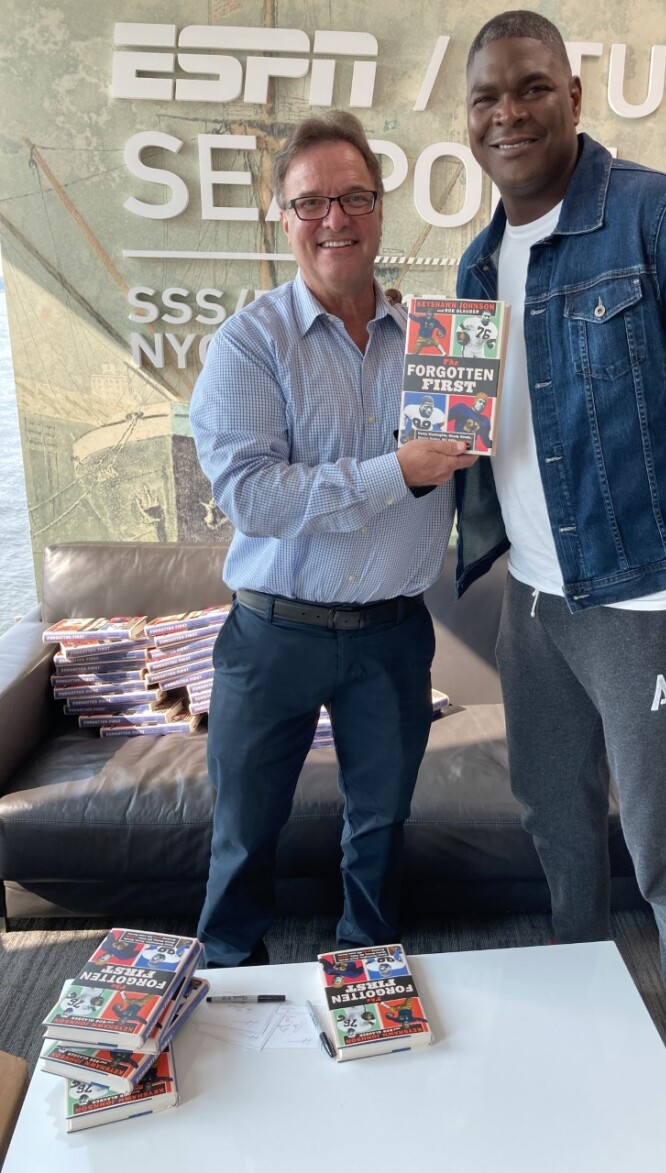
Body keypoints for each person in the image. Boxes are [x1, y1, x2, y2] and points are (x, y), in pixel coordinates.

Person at [456, 12, 666, 1146]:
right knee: (554, 823)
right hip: (538, 607)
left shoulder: (659, 220)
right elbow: (484, 438)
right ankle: (581, 1006)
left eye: (530, 88)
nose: (507, 113)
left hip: (656, 608)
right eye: (485, 97)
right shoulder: (474, 261)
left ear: (573, 92)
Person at [190, 110, 476, 968]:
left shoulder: (442, 343)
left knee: (382, 827)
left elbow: (487, 466)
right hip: (272, 635)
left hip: (392, 635)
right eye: (311, 203)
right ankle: (229, 982)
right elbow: (253, 495)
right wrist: (397, 470)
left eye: (354, 197)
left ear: (380, 210)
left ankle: (364, 975)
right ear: (285, 218)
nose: (335, 220)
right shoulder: (249, 344)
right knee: (244, 832)